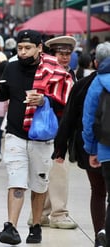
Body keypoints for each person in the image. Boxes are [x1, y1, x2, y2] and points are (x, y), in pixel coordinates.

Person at [0, 29, 73, 244]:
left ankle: (36, 226)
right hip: (15, 134)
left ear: (39, 48)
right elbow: (4, 95)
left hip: (42, 139)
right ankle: (11, 227)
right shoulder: (11, 67)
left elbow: (65, 102)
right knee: (16, 182)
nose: (23, 52)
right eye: (19, 48)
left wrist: (44, 101)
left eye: (27, 48)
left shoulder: (53, 70)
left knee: (38, 185)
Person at [53, 43, 107, 247]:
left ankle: (100, 235)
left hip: (91, 148)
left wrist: (61, 147)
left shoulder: (85, 84)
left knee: (98, 191)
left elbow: (69, 118)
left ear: (95, 62)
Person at [33, 35, 78, 229]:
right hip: (52, 127)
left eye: (68, 53)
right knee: (58, 170)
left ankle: (41, 213)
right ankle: (59, 214)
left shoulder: (70, 75)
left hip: (62, 128)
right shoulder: (49, 73)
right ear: (53, 53)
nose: (65, 57)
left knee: (49, 171)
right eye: (61, 53)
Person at [82, 42, 110, 247]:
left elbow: (89, 120)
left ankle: (104, 234)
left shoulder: (97, 82)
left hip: (105, 148)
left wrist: (91, 149)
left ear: (97, 62)